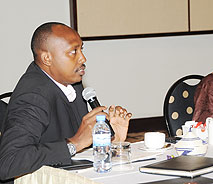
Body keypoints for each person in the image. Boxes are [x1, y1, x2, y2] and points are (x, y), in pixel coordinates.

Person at [0, 22, 132, 183]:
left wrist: (109, 142)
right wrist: (74, 143)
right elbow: (8, 162)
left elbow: (78, 142)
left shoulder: (72, 84)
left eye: (81, 49)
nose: (83, 58)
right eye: (73, 51)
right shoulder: (32, 96)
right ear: (47, 58)